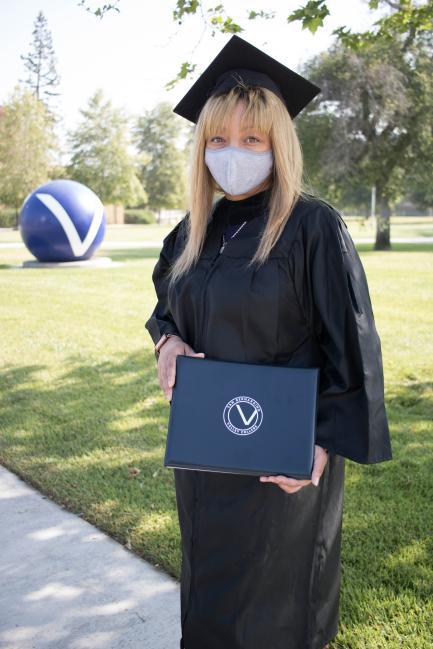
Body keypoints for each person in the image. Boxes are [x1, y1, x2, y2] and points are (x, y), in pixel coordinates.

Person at [145, 35, 393, 649]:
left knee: (275, 610)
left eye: (251, 139)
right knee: (208, 598)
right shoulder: (193, 232)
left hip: (283, 457)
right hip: (205, 458)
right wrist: (167, 344)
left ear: (277, 144)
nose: (233, 154)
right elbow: (165, 308)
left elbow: (351, 344)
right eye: (218, 141)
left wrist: (321, 444)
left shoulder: (312, 226)